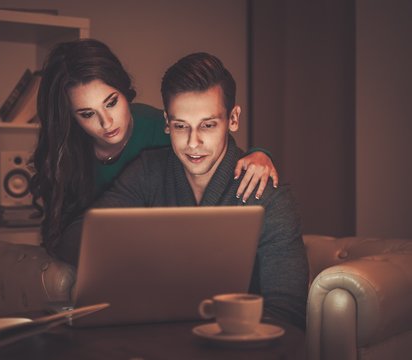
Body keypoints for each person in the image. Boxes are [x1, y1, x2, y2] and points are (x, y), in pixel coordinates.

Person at [57, 52, 308, 330]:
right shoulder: (148, 172)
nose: (193, 143)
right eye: (180, 127)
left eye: (208, 125)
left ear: (233, 119)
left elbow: (287, 313)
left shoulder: (270, 197)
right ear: (166, 123)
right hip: (150, 340)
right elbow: (77, 237)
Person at [31, 38, 279, 255]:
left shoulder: (165, 130)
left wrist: (259, 154)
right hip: (97, 251)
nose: (106, 123)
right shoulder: (67, 150)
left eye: (111, 102)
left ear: (124, 90)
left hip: (162, 253)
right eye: (87, 114)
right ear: (72, 117)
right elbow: (64, 234)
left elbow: (213, 145)